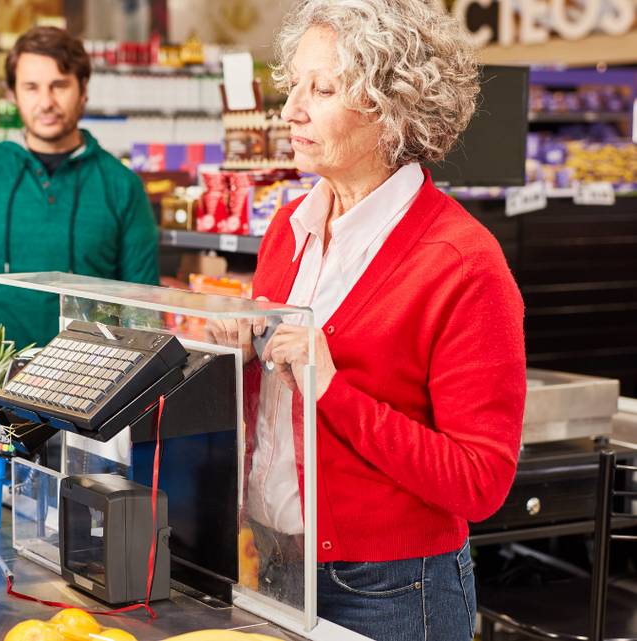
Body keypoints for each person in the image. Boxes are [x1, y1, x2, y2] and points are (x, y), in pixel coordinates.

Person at [207, 1, 525, 639]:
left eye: (321, 89)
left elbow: (481, 481)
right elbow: (276, 409)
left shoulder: (462, 263)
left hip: (390, 589)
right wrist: (234, 354)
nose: (291, 109)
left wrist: (332, 389)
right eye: (293, 84)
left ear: (393, 109)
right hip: (268, 563)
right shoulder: (289, 228)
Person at [0, 26, 159, 350]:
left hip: (91, 386)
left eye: (59, 86)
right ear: (13, 94)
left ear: (83, 89)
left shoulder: (122, 186)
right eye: (31, 87)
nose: (46, 102)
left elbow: (142, 311)